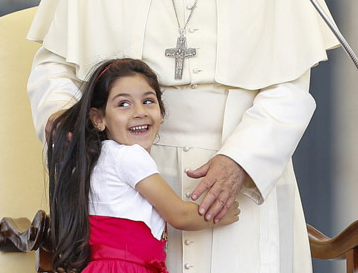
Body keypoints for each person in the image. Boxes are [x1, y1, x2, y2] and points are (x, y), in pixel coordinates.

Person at [27, 0, 339, 273]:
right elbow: (54, 64)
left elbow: (291, 87)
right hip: (126, 176)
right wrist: (63, 123)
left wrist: (241, 161)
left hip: (236, 175)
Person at [48, 58, 240, 272]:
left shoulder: (99, 158)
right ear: (98, 118)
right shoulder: (129, 157)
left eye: (148, 101)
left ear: (162, 113)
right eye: (123, 104)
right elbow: (179, 215)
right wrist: (222, 214)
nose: (140, 111)